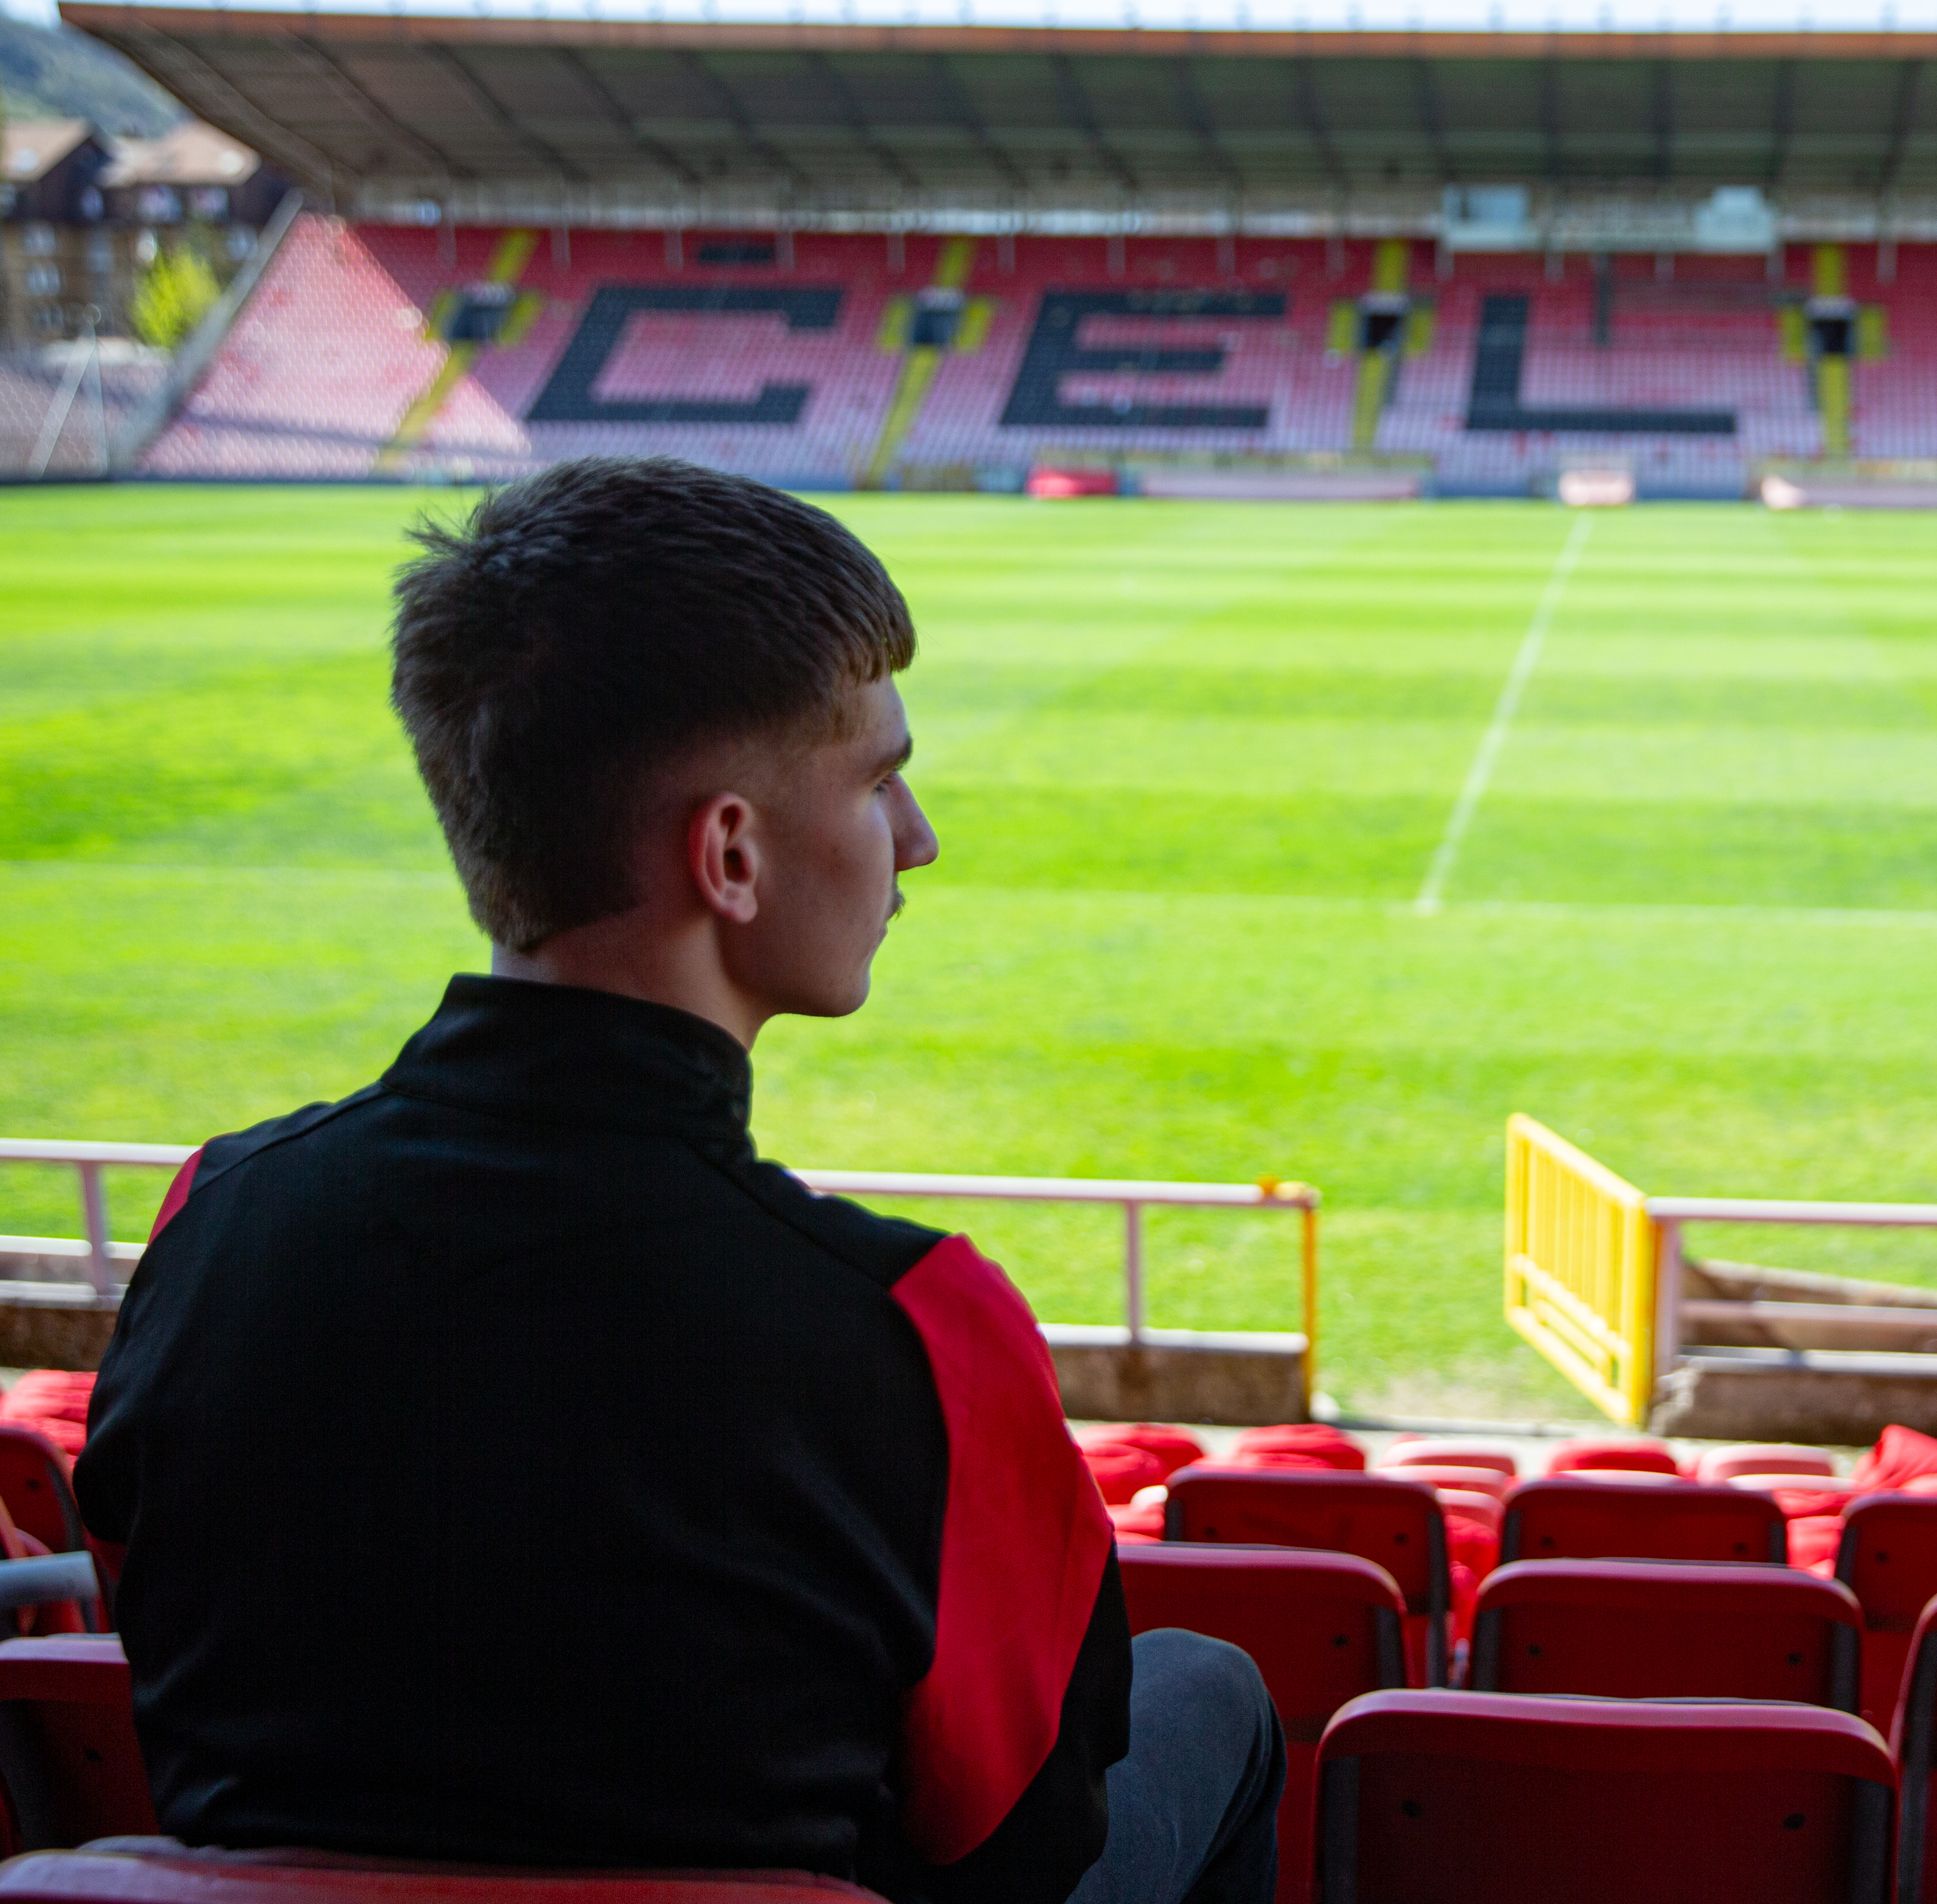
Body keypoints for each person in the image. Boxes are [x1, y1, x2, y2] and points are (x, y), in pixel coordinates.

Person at [75, 457, 1280, 1904]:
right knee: (1211, 1690)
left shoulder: (214, 1214)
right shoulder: (908, 1325)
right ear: (732, 852)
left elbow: (155, 1646)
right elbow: (1028, 1838)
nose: (918, 840)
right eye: (881, 779)